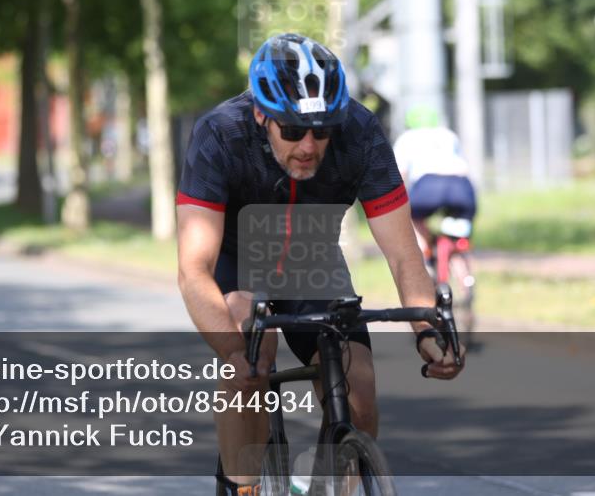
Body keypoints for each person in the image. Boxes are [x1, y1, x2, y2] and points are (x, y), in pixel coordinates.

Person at [176, 33, 464, 496]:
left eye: (322, 130)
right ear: (260, 115)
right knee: (250, 358)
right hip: (237, 258)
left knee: (359, 391)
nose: (309, 145)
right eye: (292, 131)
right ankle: (242, 486)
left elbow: (403, 253)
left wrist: (429, 331)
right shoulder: (221, 134)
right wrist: (234, 351)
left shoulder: (360, 131)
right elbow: (193, 268)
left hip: (313, 256)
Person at [392, 105, 477, 264]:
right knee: (460, 227)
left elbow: (400, 175)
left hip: (428, 185)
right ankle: (463, 264)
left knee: (411, 216)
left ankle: (425, 250)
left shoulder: (406, 138)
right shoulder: (449, 135)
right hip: (461, 185)